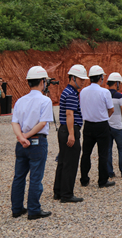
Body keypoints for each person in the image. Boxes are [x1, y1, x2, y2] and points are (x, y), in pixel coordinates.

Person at [11, 66, 54, 220]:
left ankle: (16, 209)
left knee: (19, 177)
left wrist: (21, 137)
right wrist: (27, 136)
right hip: (37, 141)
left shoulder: (20, 101)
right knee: (35, 178)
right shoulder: (45, 100)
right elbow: (42, 123)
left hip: (21, 144)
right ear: (43, 82)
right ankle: (34, 210)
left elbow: (15, 122)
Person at [53, 64, 88, 203]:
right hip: (69, 129)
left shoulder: (67, 91)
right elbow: (69, 114)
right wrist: (72, 134)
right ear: (73, 78)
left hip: (64, 130)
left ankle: (58, 191)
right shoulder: (72, 94)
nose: (83, 82)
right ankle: (66, 194)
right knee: (70, 163)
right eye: (81, 79)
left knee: (63, 161)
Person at [79, 65, 115, 188]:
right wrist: (104, 117)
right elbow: (111, 109)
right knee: (103, 154)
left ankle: (84, 179)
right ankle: (102, 180)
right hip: (102, 125)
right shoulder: (105, 92)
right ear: (100, 78)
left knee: (86, 153)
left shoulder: (83, 91)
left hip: (88, 125)